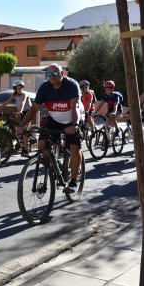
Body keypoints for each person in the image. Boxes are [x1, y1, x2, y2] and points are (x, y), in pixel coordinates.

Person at [17, 64, 84, 193]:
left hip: (72, 118)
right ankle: (55, 165)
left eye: (54, 74)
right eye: (49, 74)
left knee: (74, 148)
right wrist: (21, 125)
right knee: (42, 144)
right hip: (55, 119)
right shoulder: (45, 87)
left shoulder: (71, 85)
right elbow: (34, 109)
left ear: (61, 74)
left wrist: (74, 124)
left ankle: (74, 181)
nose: (51, 77)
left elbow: (75, 106)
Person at [0, 80, 32, 156]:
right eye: (18, 88)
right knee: (11, 121)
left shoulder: (24, 94)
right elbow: (6, 102)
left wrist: (19, 111)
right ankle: (18, 139)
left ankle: (26, 151)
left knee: (25, 132)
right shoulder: (14, 95)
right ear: (15, 89)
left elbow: (22, 103)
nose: (20, 90)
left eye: (21, 88)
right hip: (20, 112)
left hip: (28, 113)